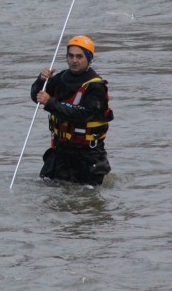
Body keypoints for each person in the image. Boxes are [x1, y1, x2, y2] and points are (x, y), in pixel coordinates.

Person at [30, 35, 113, 186]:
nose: (74, 60)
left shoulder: (96, 87)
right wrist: (41, 81)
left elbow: (82, 114)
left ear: (89, 58)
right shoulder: (60, 78)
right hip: (60, 153)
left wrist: (50, 103)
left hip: (87, 156)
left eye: (79, 56)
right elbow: (37, 97)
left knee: (86, 203)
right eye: (71, 56)